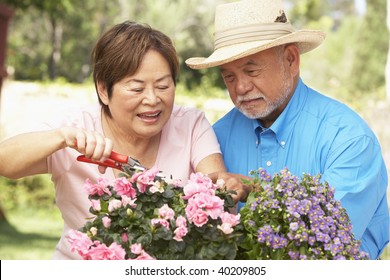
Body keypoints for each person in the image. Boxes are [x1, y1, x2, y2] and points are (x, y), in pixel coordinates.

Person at [0, 21, 249, 259]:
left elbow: (215, 183)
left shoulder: (190, 124)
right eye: (137, 88)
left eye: (163, 86)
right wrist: (63, 137)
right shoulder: (76, 128)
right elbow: (5, 161)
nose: (152, 99)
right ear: (103, 90)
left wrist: (228, 185)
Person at [186, 0, 389, 259]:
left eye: (252, 70)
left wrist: (255, 187)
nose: (240, 88)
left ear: (291, 60)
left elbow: (326, 239)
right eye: (229, 76)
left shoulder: (348, 138)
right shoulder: (215, 138)